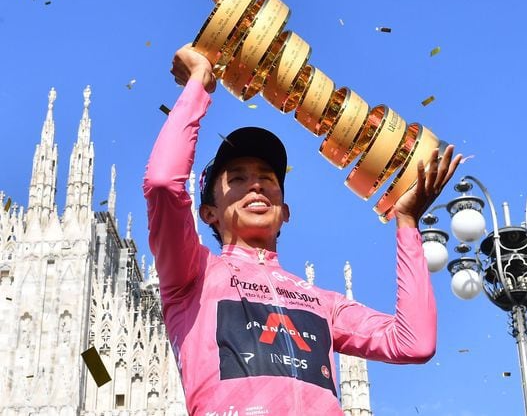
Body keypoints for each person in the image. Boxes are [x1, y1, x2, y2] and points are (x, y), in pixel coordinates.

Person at [143, 44, 462, 416]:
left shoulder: (320, 301)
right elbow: (164, 184)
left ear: (285, 212)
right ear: (209, 212)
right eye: (238, 179)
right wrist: (198, 83)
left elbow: (414, 343)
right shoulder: (193, 277)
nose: (256, 185)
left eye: (267, 179)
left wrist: (407, 224)